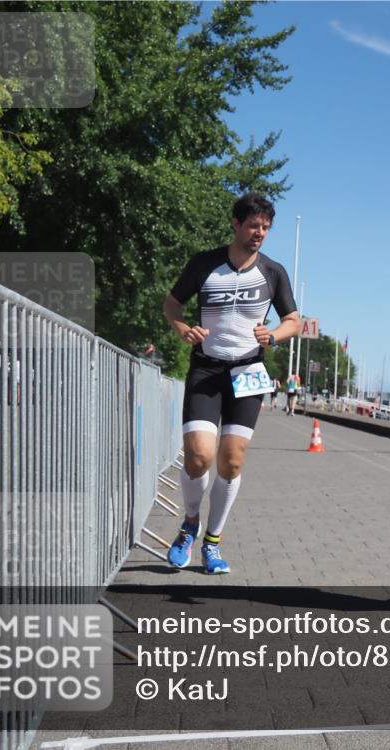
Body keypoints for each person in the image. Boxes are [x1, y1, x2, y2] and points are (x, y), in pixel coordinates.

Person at [163, 192, 300, 574]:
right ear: (235, 224)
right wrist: (182, 328)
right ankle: (190, 524)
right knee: (199, 455)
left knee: (232, 460)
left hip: (249, 372)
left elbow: (295, 320)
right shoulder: (205, 263)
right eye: (254, 225)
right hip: (207, 369)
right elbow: (172, 303)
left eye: (266, 228)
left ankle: (213, 542)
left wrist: (273, 335)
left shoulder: (273, 272)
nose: (260, 233)